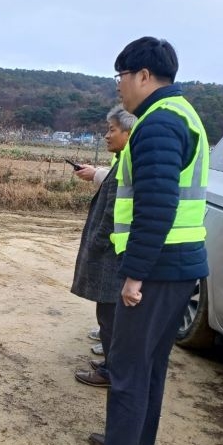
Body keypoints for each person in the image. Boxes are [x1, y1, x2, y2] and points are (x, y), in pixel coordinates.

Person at [71, 37, 210, 445]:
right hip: (179, 264)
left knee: (129, 366)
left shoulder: (158, 124)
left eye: (121, 78)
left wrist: (133, 274)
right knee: (150, 364)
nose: (119, 88)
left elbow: (156, 205)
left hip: (158, 266)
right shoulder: (182, 115)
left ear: (144, 76)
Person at [69, 105, 136, 387]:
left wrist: (96, 244)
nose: (106, 135)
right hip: (112, 252)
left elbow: (112, 213)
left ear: (128, 132)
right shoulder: (123, 162)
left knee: (109, 317)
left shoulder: (127, 164)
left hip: (111, 254)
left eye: (112, 130)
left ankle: (110, 372)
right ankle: (110, 363)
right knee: (107, 315)